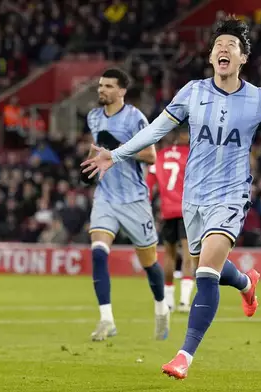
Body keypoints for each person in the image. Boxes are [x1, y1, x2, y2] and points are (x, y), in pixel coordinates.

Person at [81, 16, 261, 380]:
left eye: (232, 46)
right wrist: (114, 155)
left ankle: (184, 355)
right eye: (218, 45)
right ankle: (245, 282)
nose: (223, 49)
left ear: (243, 58)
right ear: (211, 56)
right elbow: (155, 131)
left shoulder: (259, 99)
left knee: (205, 273)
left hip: (230, 195)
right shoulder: (192, 92)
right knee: (202, 267)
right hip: (193, 196)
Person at [82, 68, 170, 342]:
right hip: (106, 196)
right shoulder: (94, 117)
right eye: (100, 85)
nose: (102, 90)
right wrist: (88, 166)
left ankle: (161, 308)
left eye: (108, 86)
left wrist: (118, 148)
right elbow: (96, 149)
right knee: (98, 252)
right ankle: (106, 320)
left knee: (149, 263)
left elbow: (151, 156)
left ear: (122, 91)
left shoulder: (135, 118)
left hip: (134, 199)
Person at [146, 128, 195, 312]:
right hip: (186, 210)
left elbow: (149, 185)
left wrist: (146, 206)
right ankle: (184, 301)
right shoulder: (191, 154)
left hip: (167, 211)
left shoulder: (159, 156)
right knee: (188, 253)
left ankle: (168, 302)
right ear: (182, 136)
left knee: (169, 254)